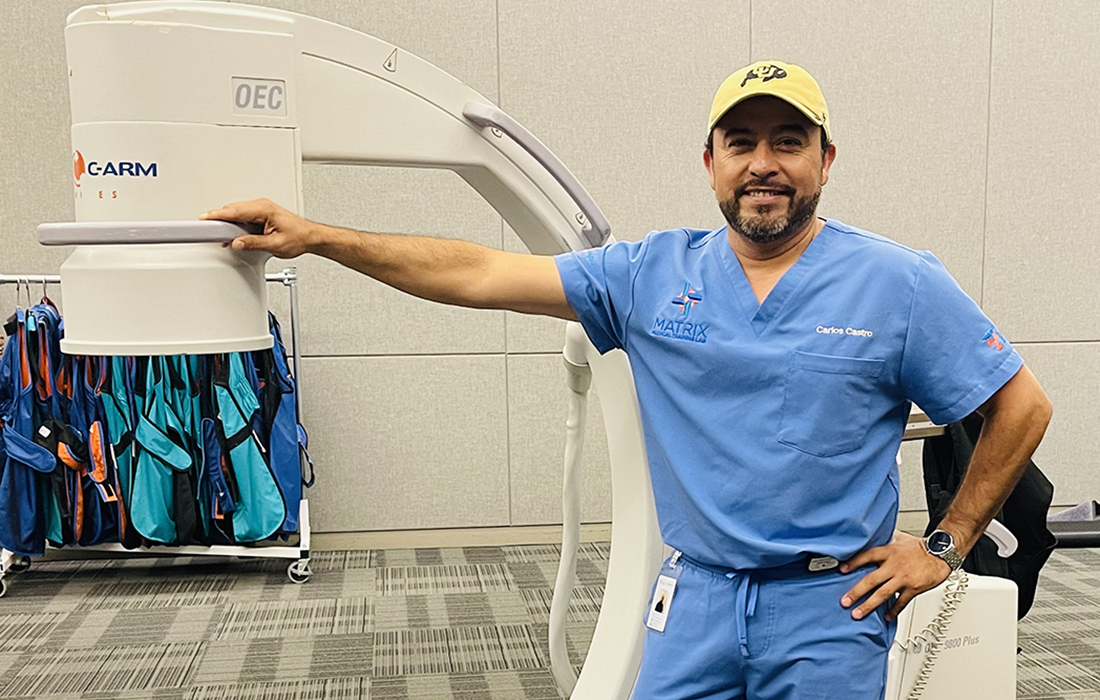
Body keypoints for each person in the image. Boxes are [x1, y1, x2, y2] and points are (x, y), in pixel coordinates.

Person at [203, 60, 1052, 700]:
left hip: (829, 608)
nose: (764, 163)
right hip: (695, 601)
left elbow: (1021, 402)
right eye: (742, 143)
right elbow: (474, 272)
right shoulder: (649, 273)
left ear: (826, 161)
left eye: (788, 142)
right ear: (710, 163)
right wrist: (319, 237)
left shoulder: (897, 283)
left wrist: (945, 544)